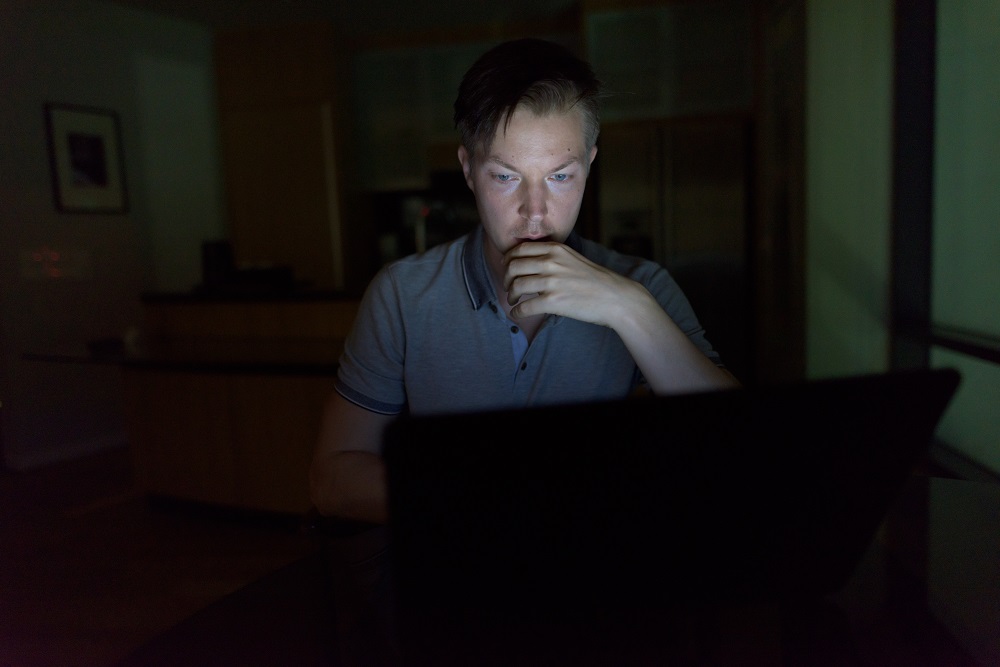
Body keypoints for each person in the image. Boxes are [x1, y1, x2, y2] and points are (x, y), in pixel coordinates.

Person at [310, 37, 739, 525]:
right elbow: (332, 480)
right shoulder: (402, 296)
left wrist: (628, 309)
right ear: (468, 169)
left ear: (590, 165)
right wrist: (496, 497)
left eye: (560, 177)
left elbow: (735, 447)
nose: (535, 213)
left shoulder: (642, 286)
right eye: (506, 176)